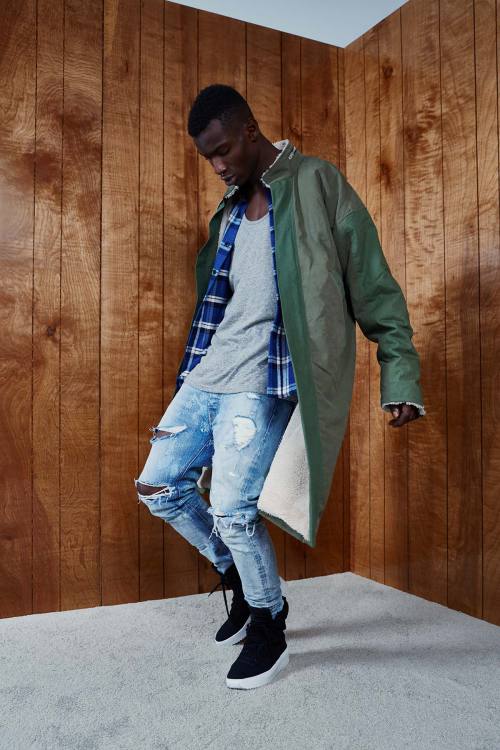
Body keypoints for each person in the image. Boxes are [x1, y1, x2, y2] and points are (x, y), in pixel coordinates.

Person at [134, 83, 425, 691]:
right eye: (207, 158)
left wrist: (398, 370)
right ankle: (242, 579)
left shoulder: (318, 184)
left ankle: (270, 625)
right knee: (159, 485)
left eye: (222, 151)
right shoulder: (230, 209)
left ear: (250, 130)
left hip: (264, 377)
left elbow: (373, 283)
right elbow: (220, 303)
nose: (217, 166)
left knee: (232, 510)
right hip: (210, 370)